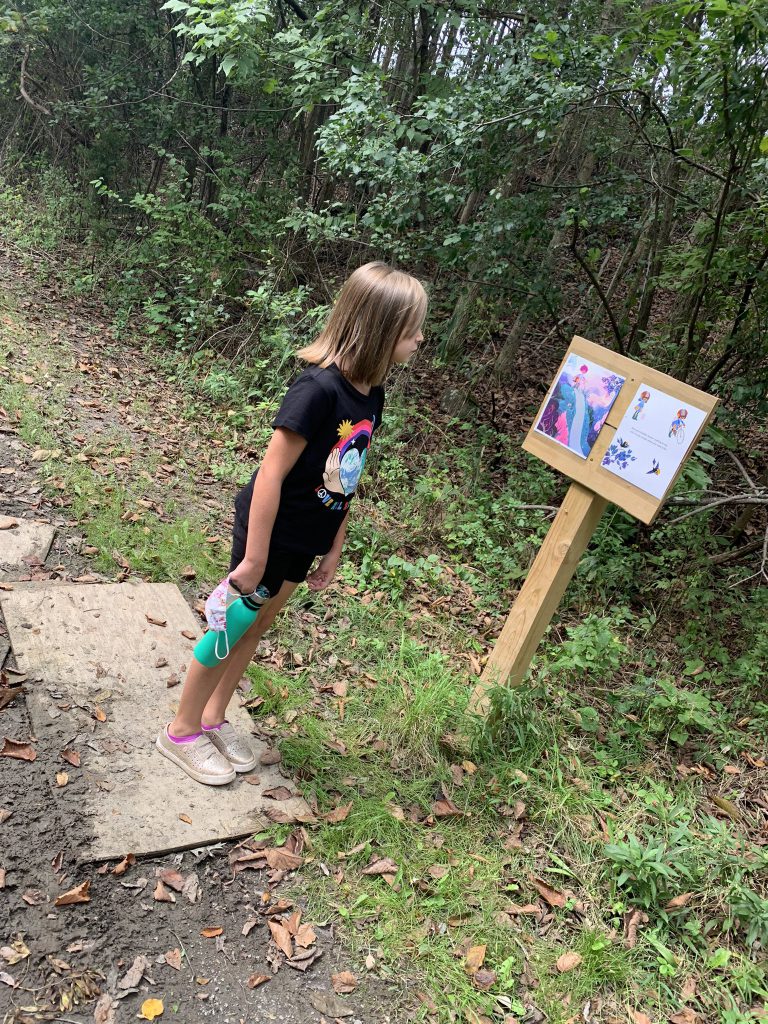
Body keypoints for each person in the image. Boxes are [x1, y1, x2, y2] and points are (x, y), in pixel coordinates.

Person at [156, 262, 428, 785]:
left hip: (306, 538)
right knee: (229, 627)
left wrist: (333, 545)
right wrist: (255, 558)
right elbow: (269, 476)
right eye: (412, 328)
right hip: (271, 536)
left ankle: (214, 716)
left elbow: (347, 476)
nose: (419, 338)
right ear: (381, 326)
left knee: (255, 628)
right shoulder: (318, 390)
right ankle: (182, 730)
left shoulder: (371, 393)